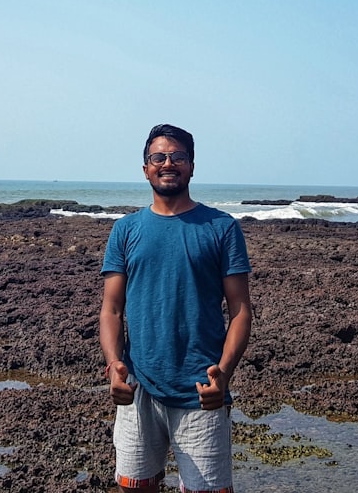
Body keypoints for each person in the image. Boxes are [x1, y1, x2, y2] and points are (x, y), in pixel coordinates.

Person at [100, 123, 253, 493]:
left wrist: (225, 375)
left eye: (178, 156)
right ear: (145, 168)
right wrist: (113, 366)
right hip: (139, 388)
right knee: (134, 486)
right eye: (158, 157)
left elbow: (241, 311)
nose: (168, 163)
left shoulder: (221, 227)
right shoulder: (126, 229)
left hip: (202, 389)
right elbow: (111, 309)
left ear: (192, 166)